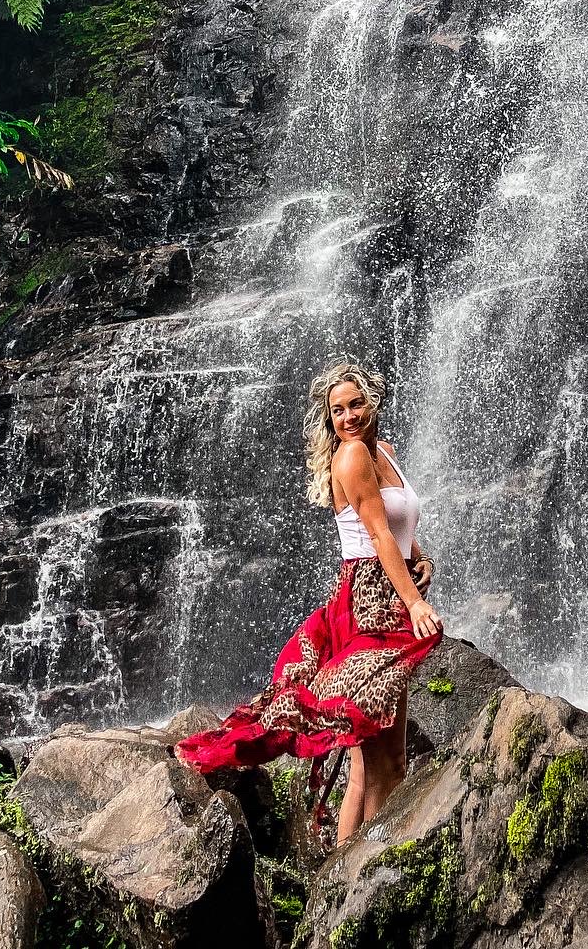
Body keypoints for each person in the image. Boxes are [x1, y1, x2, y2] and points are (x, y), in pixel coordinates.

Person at [175, 361, 443, 843]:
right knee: (385, 766)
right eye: (337, 410)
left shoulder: (382, 451)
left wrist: (420, 558)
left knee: (372, 764)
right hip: (370, 603)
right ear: (329, 418)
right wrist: (415, 603)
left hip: (386, 589)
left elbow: (395, 525)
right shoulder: (352, 456)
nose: (348, 416)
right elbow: (377, 536)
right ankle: (366, 869)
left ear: (373, 402)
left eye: (356, 404)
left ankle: (343, 871)